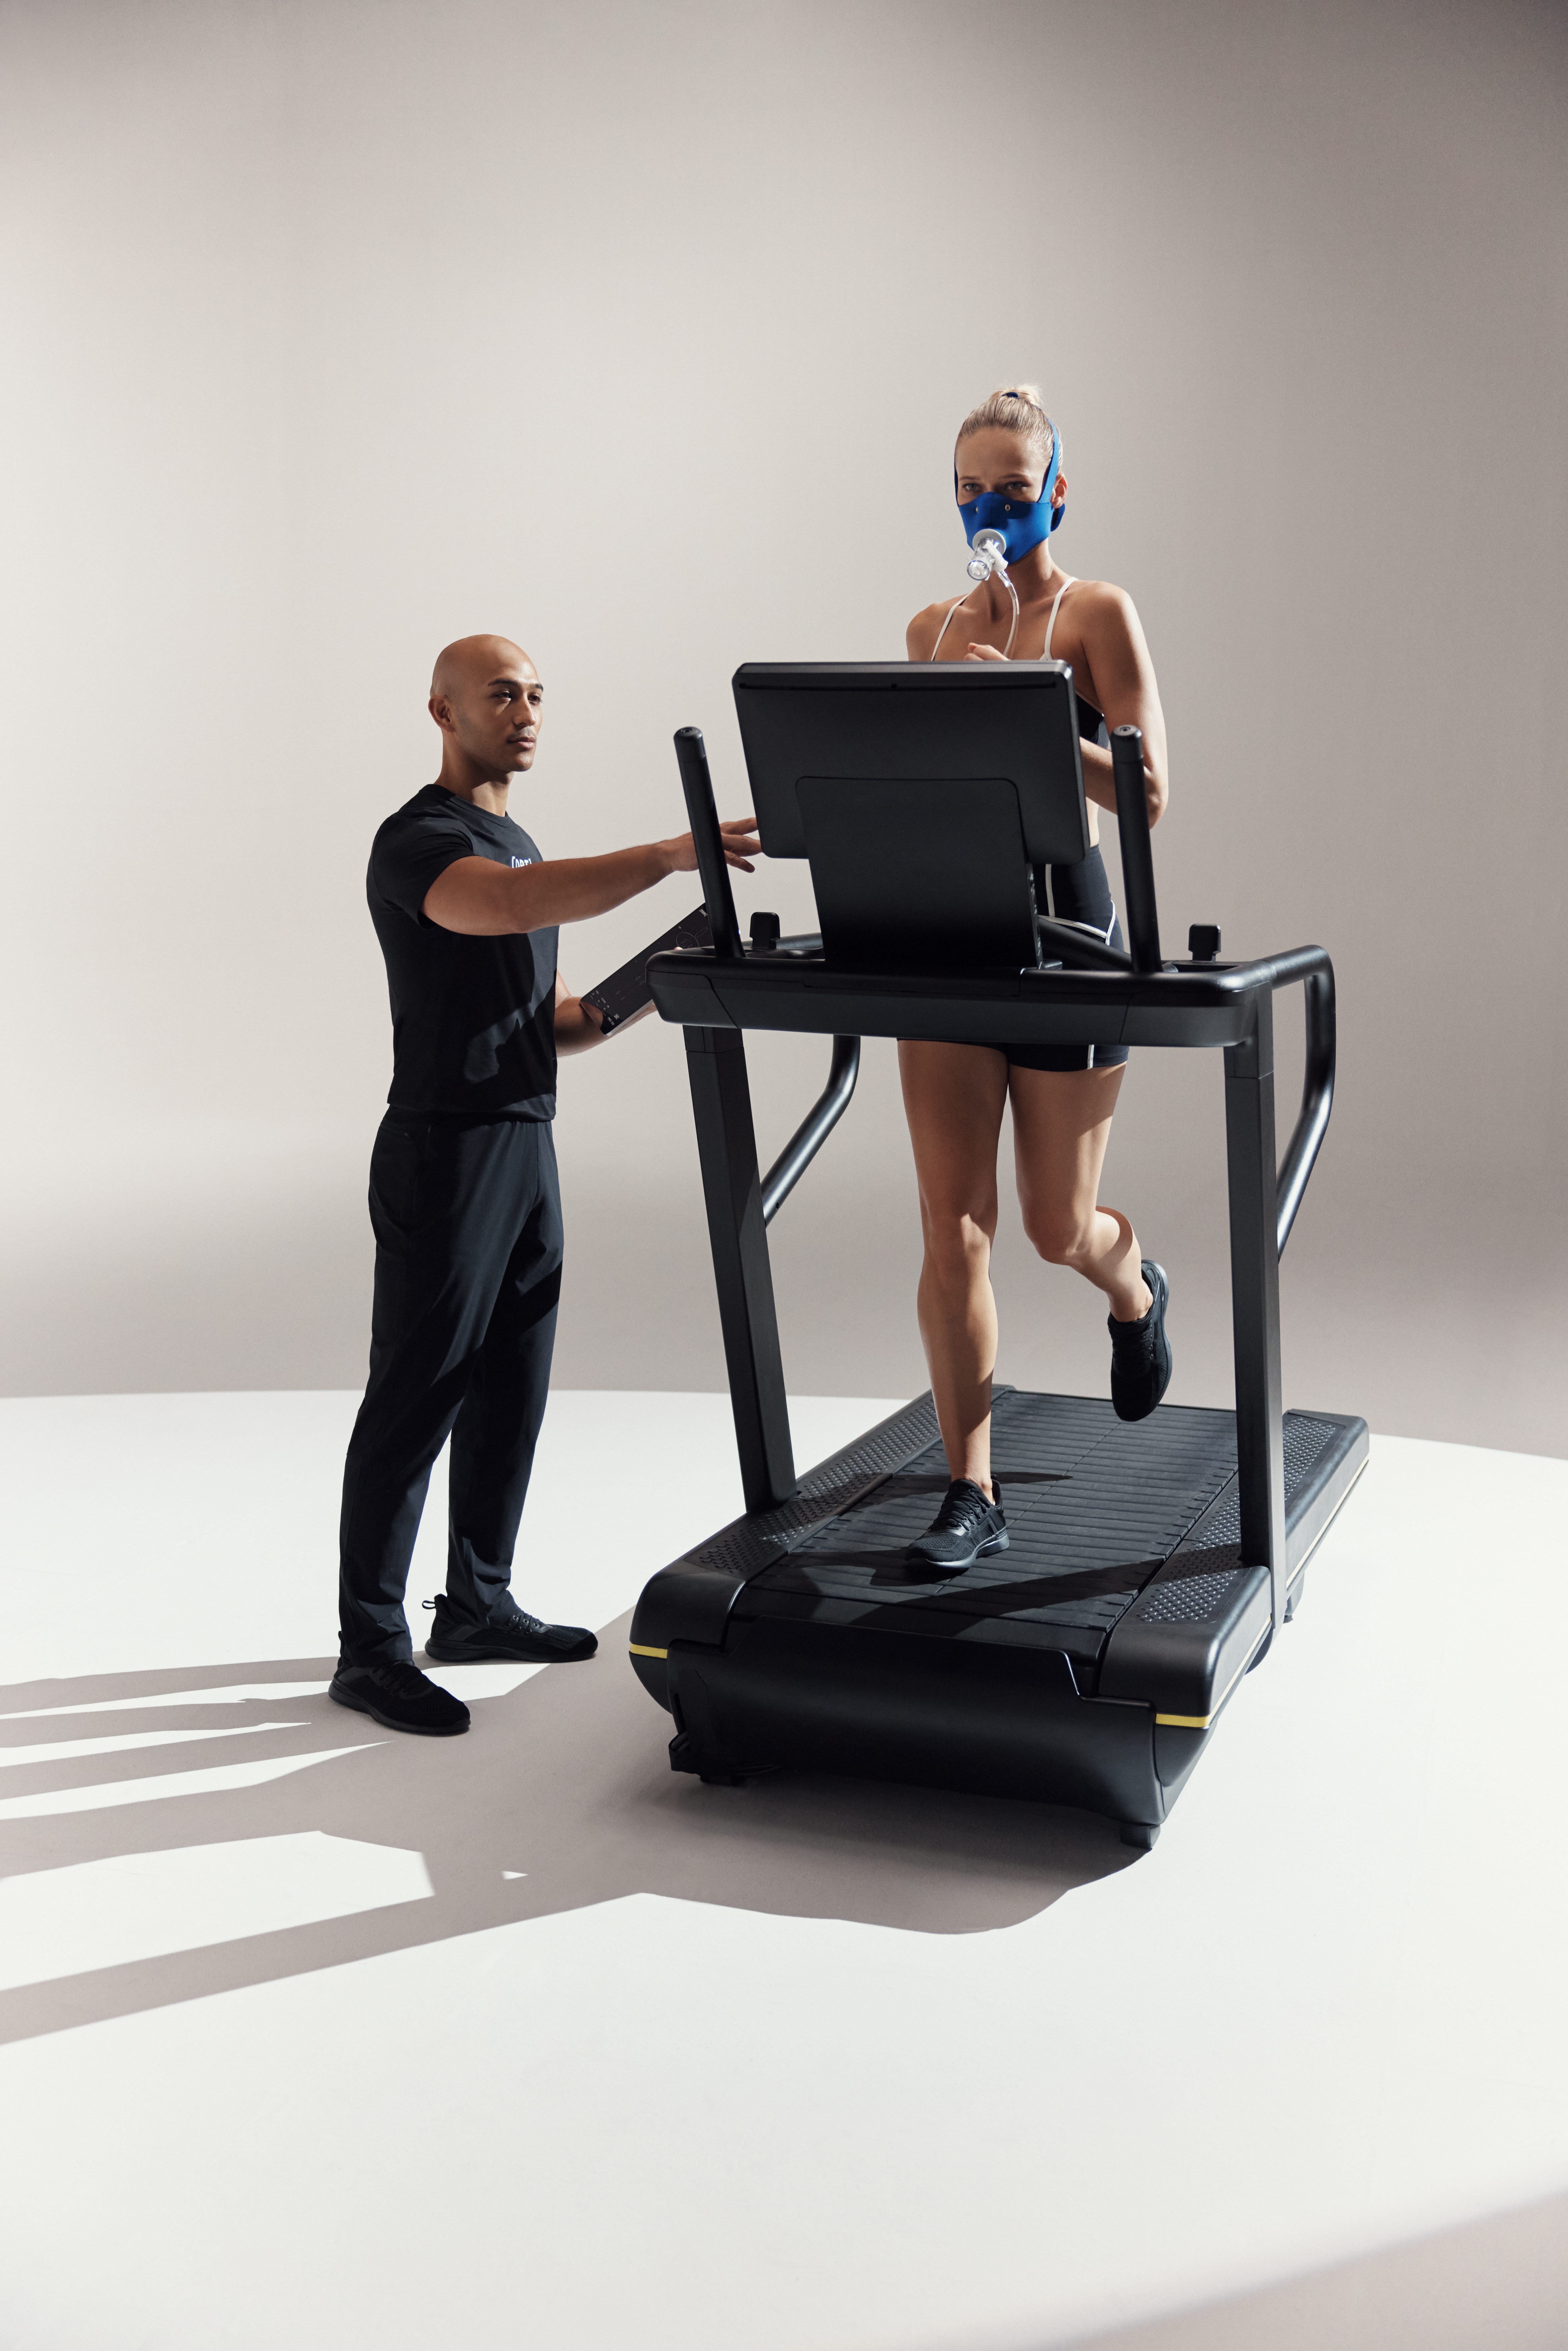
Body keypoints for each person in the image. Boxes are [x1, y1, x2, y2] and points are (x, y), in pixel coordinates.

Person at [329, 635, 758, 1737]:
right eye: (500, 694)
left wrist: (669, 965)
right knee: (415, 1396)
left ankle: (477, 1603)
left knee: (513, 1389)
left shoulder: (518, 842)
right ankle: (370, 1647)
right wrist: (670, 854)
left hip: (526, 1141)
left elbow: (557, 1022)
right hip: (446, 1148)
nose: (524, 711)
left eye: (534, 695)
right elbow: (510, 909)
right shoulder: (420, 842)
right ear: (441, 708)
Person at [899, 385, 1173, 1573]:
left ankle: (1135, 1289)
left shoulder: (1095, 612)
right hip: (953, 923)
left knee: (1059, 1228)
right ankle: (972, 1486)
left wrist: (1017, 711)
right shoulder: (930, 627)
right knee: (954, 1228)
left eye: (1014, 487)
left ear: (1056, 491)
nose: (992, 506)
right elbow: (913, 787)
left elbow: (1147, 793)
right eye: (973, 487)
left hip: (1069, 922)